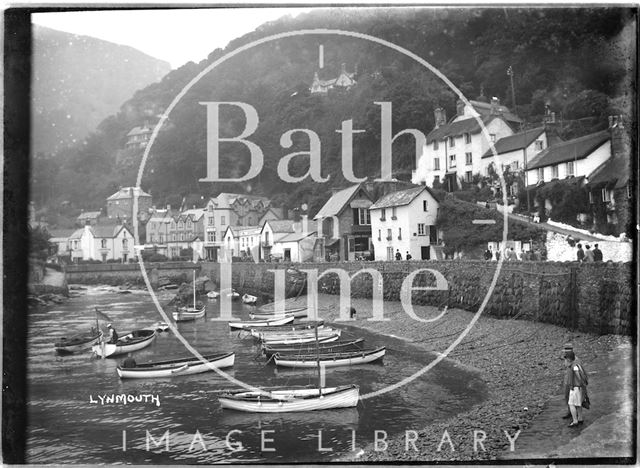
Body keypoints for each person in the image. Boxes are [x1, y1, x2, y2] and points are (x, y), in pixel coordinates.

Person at [564, 350, 588, 427]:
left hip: (575, 388)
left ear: (569, 359)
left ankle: (575, 421)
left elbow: (577, 375)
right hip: (579, 388)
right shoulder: (577, 364)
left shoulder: (574, 367)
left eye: (566, 359)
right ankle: (580, 418)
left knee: (571, 404)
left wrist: (580, 383)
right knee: (578, 404)